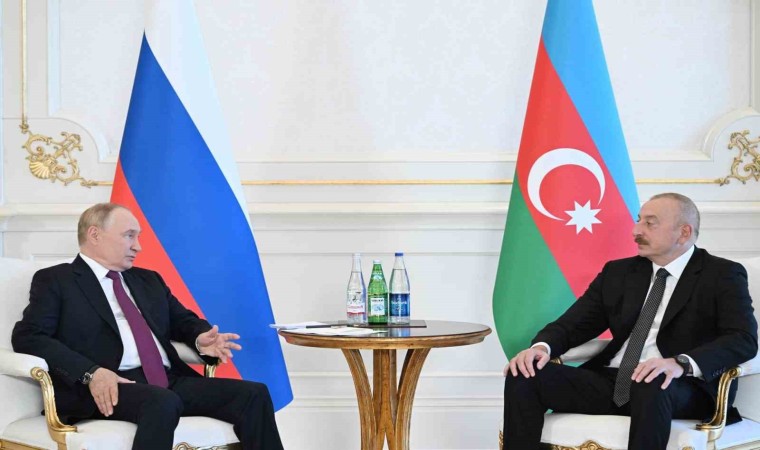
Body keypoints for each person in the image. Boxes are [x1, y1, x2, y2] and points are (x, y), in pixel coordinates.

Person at [12, 203, 284, 450]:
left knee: (254, 394)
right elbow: (29, 336)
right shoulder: (57, 280)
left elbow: (183, 320)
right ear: (95, 235)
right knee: (162, 401)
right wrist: (90, 373)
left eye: (138, 237)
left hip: (166, 379)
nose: (138, 246)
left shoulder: (148, 280)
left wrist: (201, 337)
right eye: (129, 235)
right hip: (108, 385)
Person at [502, 193, 758, 450]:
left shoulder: (721, 274)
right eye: (638, 221)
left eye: (650, 223)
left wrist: (680, 363)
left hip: (680, 386)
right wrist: (541, 348)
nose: (636, 230)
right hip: (615, 381)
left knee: (652, 379)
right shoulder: (619, 272)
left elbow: (742, 339)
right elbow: (573, 324)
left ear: (683, 232)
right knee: (525, 374)